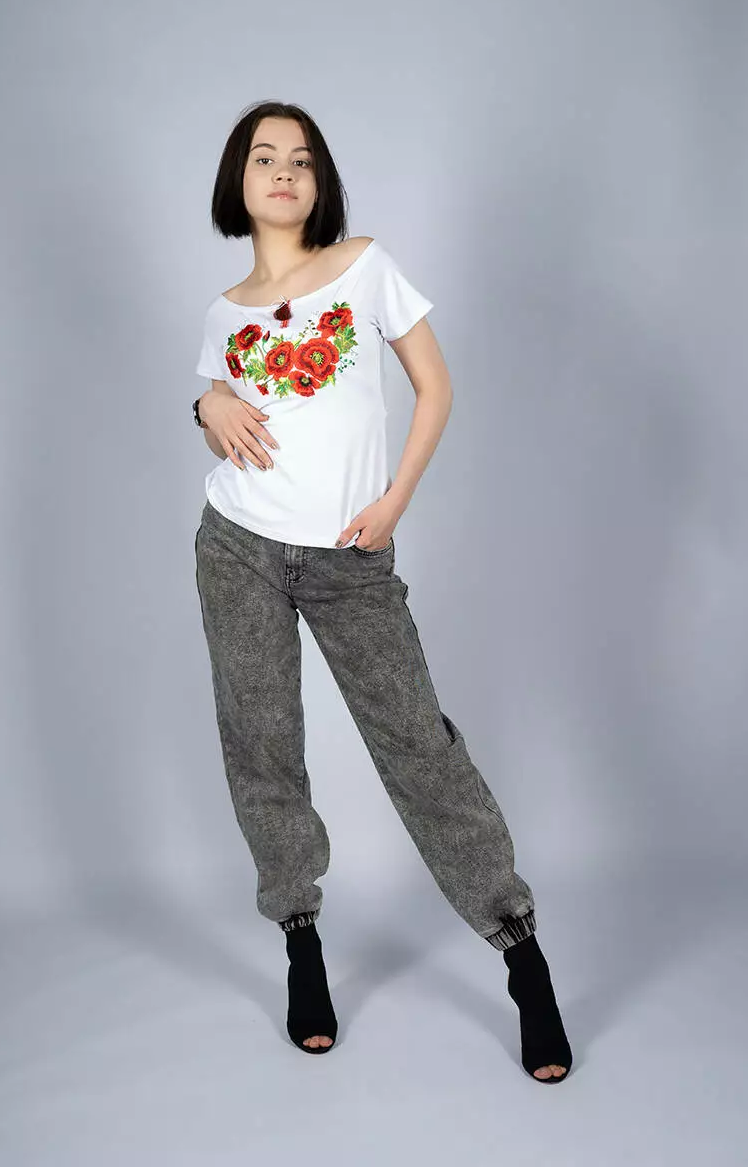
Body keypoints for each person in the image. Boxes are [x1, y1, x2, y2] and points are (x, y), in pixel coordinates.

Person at [192, 99, 572, 1082]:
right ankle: (301, 940)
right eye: (264, 158)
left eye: (301, 159)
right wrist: (206, 398)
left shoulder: (363, 265)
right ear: (238, 181)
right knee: (261, 743)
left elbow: (434, 387)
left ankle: (520, 951)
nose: (284, 172)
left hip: (349, 553)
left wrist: (395, 499)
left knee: (418, 747)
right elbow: (223, 413)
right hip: (237, 545)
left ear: (319, 182)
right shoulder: (224, 311)